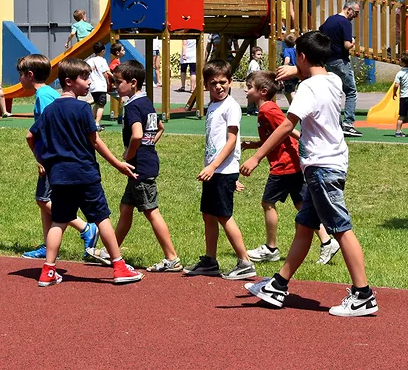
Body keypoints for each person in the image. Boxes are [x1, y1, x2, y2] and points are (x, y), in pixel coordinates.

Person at [244, 31, 377, 317]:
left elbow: (285, 126)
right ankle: (278, 285)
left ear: (302, 57)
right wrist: (298, 70)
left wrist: (256, 156)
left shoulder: (307, 89)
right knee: (305, 228)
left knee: (341, 229)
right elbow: (316, 75)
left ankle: (363, 295)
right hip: (331, 163)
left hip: (321, 167)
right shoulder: (334, 81)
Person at [26, 57, 144, 287]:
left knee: (58, 222)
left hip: (59, 176)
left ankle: (48, 271)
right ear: (69, 82)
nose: (90, 82)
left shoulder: (49, 111)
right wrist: (118, 164)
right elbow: (95, 141)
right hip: (85, 174)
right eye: (86, 77)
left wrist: (42, 160)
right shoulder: (82, 108)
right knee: (102, 219)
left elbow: (31, 137)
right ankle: (119, 267)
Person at [240, 71, 339, 266]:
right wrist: (252, 145)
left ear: (263, 91)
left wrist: (304, 140)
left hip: (284, 165)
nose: (245, 90)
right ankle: (328, 241)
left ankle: (270, 248)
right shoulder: (267, 110)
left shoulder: (268, 110)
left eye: (249, 87)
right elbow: (273, 136)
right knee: (302, 205)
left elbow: (286, 129)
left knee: (267, 203)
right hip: (291, 164)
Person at [18, 54, 99, 261]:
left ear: (29, 75)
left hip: (53, 158)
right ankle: (48, 244)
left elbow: (49, 129)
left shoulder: (44, 96)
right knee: (42, 200)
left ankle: (85, 228)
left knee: (45, 200)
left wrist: (41, 158)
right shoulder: (45, 94)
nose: (19, 79)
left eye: (21, 75)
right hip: (53, 157)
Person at [183, 59, 256, 280]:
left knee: (224, 216)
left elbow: (231, 140)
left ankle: (245, 262)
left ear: (231, 82)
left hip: (221, 171)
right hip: (214, 170)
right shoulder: (212, 105)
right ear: (205, 85)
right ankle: (210, 260)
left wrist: (214, 166)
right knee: (208, 215)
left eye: (223, 82)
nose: (219, 86)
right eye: (213, 83)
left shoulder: (231, 106)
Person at [110, 60, 182, 272]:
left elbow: (138, 135)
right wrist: (149, 146)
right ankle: (112, 250)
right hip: (144, 163)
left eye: (118, 82)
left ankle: (172, 257)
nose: (115, 85)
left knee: (151, 211)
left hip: (138, 166)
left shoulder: (132, 106)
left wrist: (128, 155)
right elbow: (160, 128)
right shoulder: (146, 102)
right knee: (126, 208)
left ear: (133, 83)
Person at [319, 0, 362, 137]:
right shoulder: (345, 23)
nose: (355, 17)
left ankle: (335, 123)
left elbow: (320, 33)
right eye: (355, 13)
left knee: (333, 92)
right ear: (348, 9)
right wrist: (353, 42)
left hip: (327, 60)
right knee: (350, 92)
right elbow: (347, 45)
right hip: (340, 61)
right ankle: (348, 124)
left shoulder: (330, 20)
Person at [87, 42, 112, 132]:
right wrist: (110, 80)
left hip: (93, 85)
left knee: (97, 103)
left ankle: (92, 123)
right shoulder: (102, 60)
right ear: (103, 51)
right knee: (101, 105)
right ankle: (97, 124)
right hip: (100, 85)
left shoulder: (89, 61)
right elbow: (105, 73)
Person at [109, 42, 125, 125]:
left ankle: (120, 117)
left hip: (111, 86)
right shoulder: (115, 63)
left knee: (121, 100)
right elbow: (110, 71)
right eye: (122, 50)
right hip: (111, 86)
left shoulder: (117, 62)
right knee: (121, 100)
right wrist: (115, 79)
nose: (124, 51)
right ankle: (120, 117)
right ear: (118, 53)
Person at [280, 33, 299, 104]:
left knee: (291, 91)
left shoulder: (287, 50)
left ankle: (295, 106)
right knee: (287, 91)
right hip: (296, 71)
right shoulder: (295, 50)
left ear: (285, 43)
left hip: (290, 72)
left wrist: (284, 68)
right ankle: (292, 105)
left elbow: (287, 60)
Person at [245, 46, 263, 116]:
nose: (260, 56)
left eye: (261, 54)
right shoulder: (253, 63)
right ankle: (250, 110)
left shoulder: (256, 62)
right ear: (253, 55)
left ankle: (253, 109)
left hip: (254, 81)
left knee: (255, 95)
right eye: (258, 54)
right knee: (251, 96)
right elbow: (253, 73)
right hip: (252, 82)